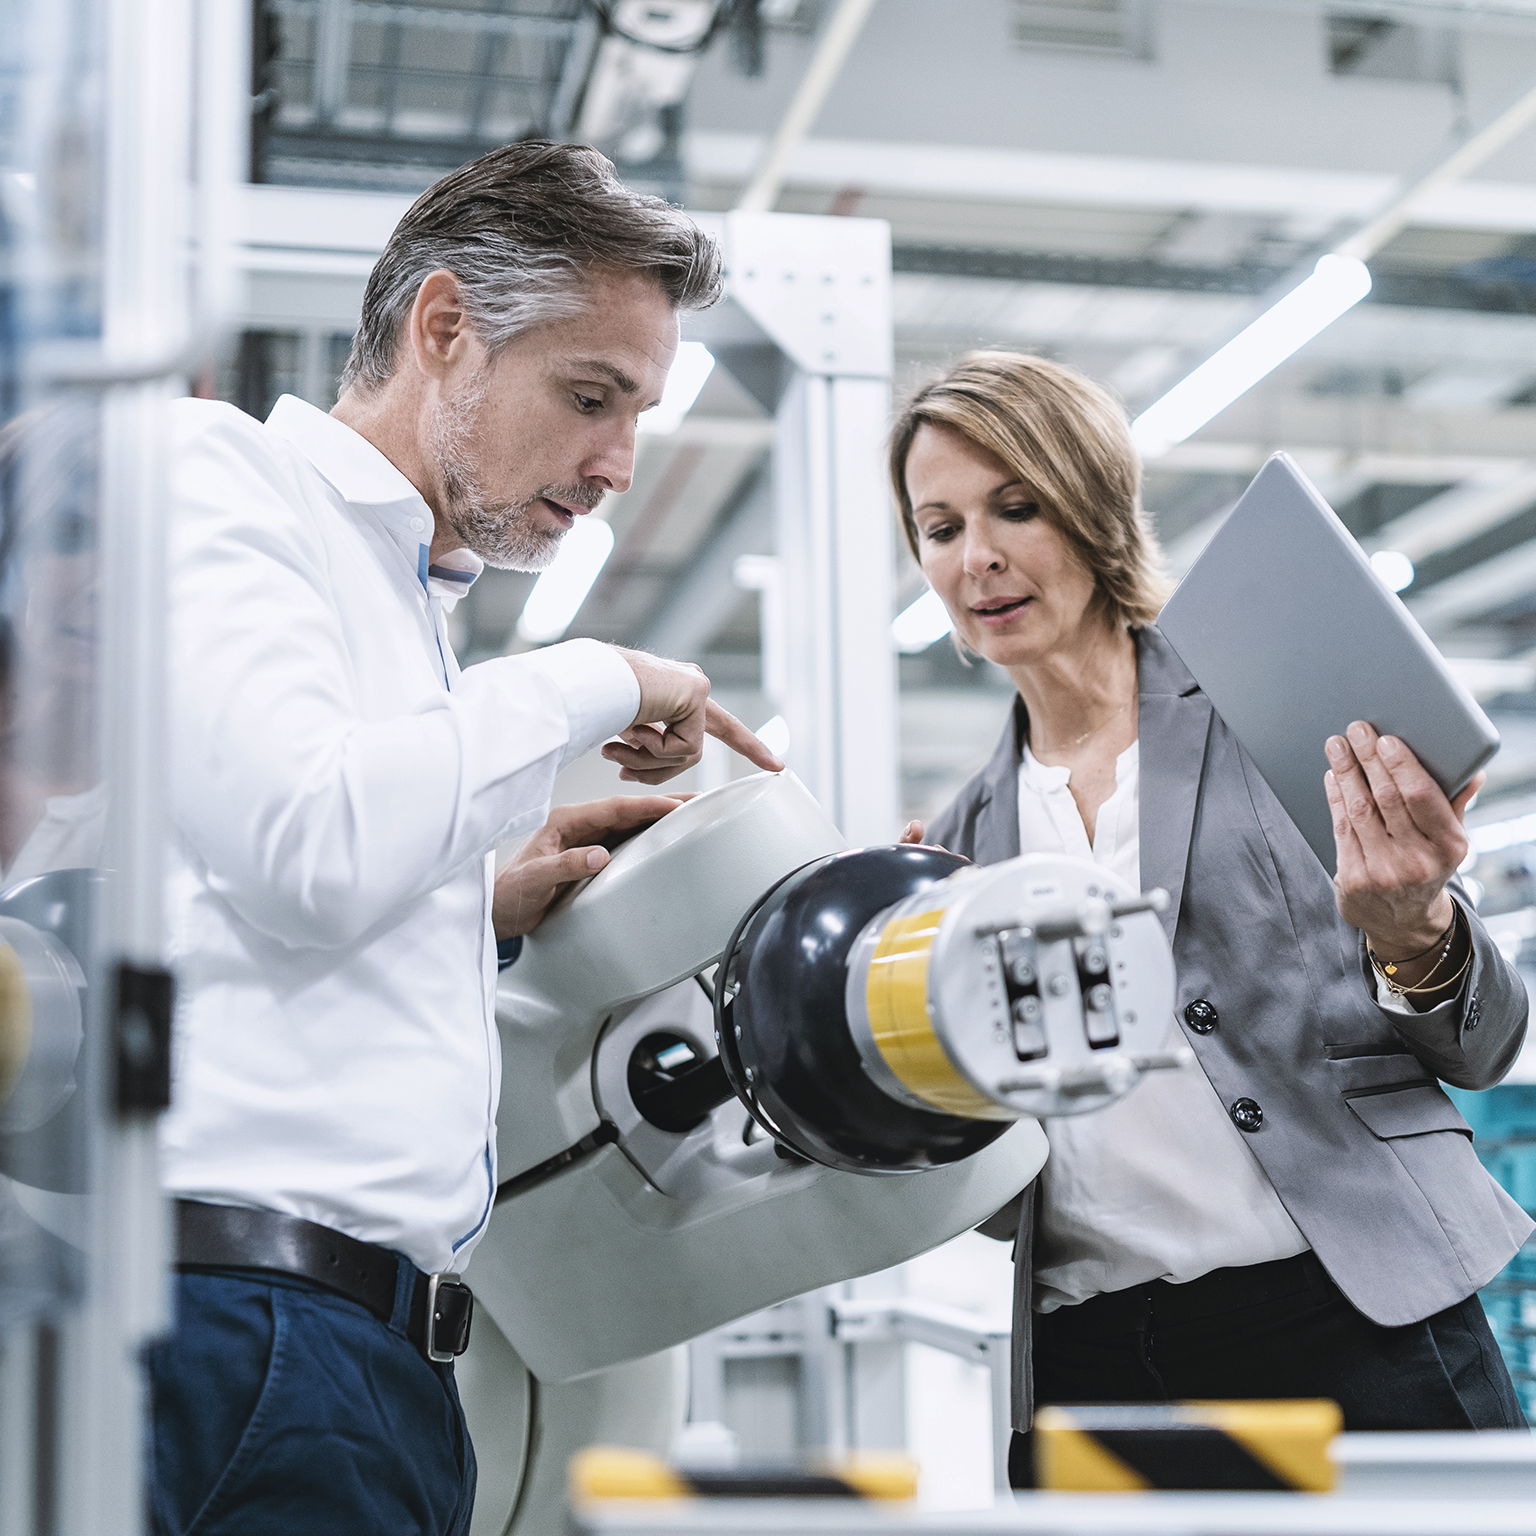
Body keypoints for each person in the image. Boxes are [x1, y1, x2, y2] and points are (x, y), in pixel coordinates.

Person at [148, 140, 780, 1535]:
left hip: (365, 1356)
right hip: (231, 1330)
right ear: (445, 329)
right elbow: (307, 844)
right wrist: (594, 679)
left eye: (639, 415)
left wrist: (475, 901)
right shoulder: (217, 478)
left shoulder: (409, 606)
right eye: (591, 396)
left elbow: (252, 889)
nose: (617, 463)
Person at [892, 350, 1531, 1483]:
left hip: (1350, 1318)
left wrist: (1414, 926)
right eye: (939, 528)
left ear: (1091, 508)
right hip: (1096, 1356)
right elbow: (1000, 1196)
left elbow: (1483, 1043)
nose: (976, 555)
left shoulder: (1275, 713)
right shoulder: (957, 849)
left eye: (1015, 507)